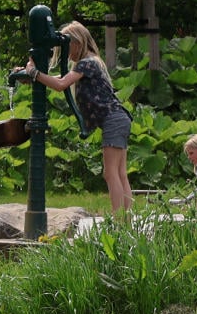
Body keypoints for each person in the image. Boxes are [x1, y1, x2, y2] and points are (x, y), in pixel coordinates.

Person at [19, 21, 131, 213]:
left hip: (113, 119)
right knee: (120, 173)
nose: (65, 51)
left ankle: (119, 220)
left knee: (111, 172)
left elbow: (60, 84)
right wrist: (31, 74)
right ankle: (127, 220)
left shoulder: (87, 62)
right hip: (119, 118)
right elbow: (56, 80)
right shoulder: (90, 61)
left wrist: (34, 73)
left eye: (66, 46)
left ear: (77, 43)